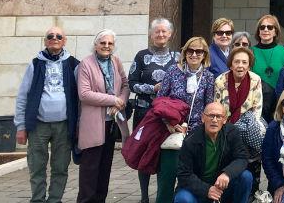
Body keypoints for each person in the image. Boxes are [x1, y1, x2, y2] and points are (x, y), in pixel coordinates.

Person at [14, 27, 79, 203]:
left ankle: (55, 200)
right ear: (45, 41)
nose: (54, 38)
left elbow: (85, 93)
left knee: (60, 167)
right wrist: (21, 126)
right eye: (50, 36)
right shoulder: (35, 64)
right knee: (36, 167)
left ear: (64, 41)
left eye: (59, 36)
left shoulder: (74, 64)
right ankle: (38, 200)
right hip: (38, 125)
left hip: (64, 125)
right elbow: (22, 96)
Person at [156, 37, 216, 203]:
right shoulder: (173, 72)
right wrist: (169, 124)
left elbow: (209, 107)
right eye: (191, 50)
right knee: (167, 177)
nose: (194, 54)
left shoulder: (208, 77)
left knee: (191, 176)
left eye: (199, 51)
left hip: (196, 134)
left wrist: (202, 130)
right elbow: (160, 101)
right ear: (185, 52)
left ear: (204, 55)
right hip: (171, 132)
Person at [129, 18, 180, 203]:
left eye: (164, 31)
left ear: (170, 34)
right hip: (144, 113)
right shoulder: (141, 56)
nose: (160, 35)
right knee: (143, 152)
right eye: (157, 32)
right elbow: (132, 83)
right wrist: (153, 89)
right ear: (151, 34)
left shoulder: (178, 57)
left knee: (164, 155)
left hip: (167, 116)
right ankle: (144, 196)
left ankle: (162, 195)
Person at [77, 29, 129, 203]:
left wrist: (121, 100)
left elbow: (126, 85)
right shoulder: (86, 64)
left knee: (105, 168)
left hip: (112, 124)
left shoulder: (116, 61)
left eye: (110, 43)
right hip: (92, 125)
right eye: (103, 43)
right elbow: (84, 94)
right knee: (89, 171)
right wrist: (113, 100)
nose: (106, 46)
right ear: (96, 44)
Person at [174, 102, 254, 203]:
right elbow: (184, 174)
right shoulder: (191, 140)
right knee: (183, 199)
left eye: (219, 116)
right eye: (211, 116)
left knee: (245, 177)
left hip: (221, 186)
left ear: (224, 119)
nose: (214, 120)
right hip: (198, 188)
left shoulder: (232, 132)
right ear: (203, 118)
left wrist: (227, 173)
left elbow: (242, 157)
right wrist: (206, 189)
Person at [215, 46, 264, 199]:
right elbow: (218, 108)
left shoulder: (255, 79)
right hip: (226, 124)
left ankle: (252, 187)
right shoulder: (221, 80)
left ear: (249, 65)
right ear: (231, 64)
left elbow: (257, 108)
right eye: (237, 62)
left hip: (248, 123)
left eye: (244, 62)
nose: (240, 66)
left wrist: (246, 126)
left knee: (257, 133)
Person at [253, 14, 284, 89]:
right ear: (258, 32)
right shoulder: (251, 52)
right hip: (256, 96)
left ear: (275, 32)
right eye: (262, 27)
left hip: (278, 96)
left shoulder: (283, 52)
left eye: (270, 27)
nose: (265, 30)